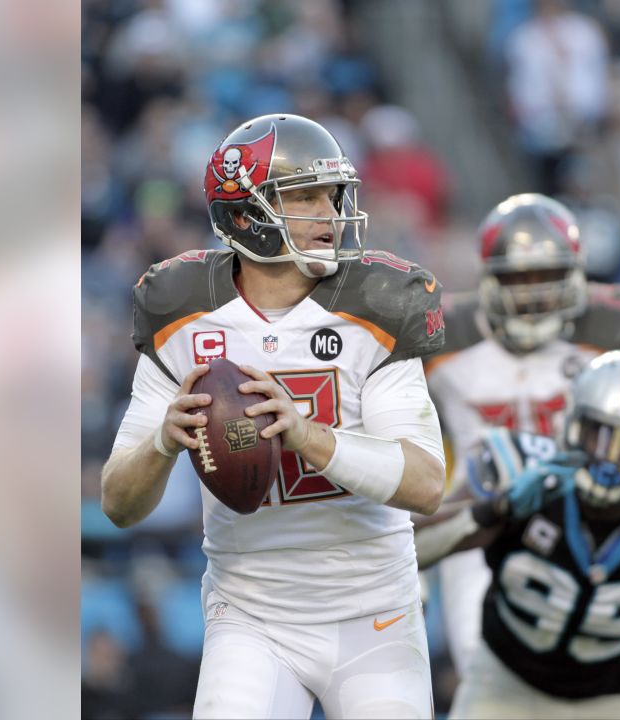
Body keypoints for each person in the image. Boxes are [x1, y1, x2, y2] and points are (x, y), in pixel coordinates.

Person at [100, 113, 446, 719]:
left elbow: (425, 483)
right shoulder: (179, 309)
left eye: (332, 196)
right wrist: (162, 442)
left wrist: (306, 434)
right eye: (305, 197)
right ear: (244, 216)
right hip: (250, 613)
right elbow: (118, 504)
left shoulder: (378, 304)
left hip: (375, 611)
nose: (331, 216)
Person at [424, 192, 620, 676]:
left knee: (600, 671)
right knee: (487, 666)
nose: (534, 294)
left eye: (547, 276)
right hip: (482, 520)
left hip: (589, 522)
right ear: (489, 277)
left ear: (576, 273)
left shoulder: (616, 326)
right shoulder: (437, 333)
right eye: (519, 277)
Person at [415, 350, 620, 719]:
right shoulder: (520, 470)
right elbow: (413, 549)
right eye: (600, 433)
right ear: (573, 422)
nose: (609, 458)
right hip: (505, 682)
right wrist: (497, 508)